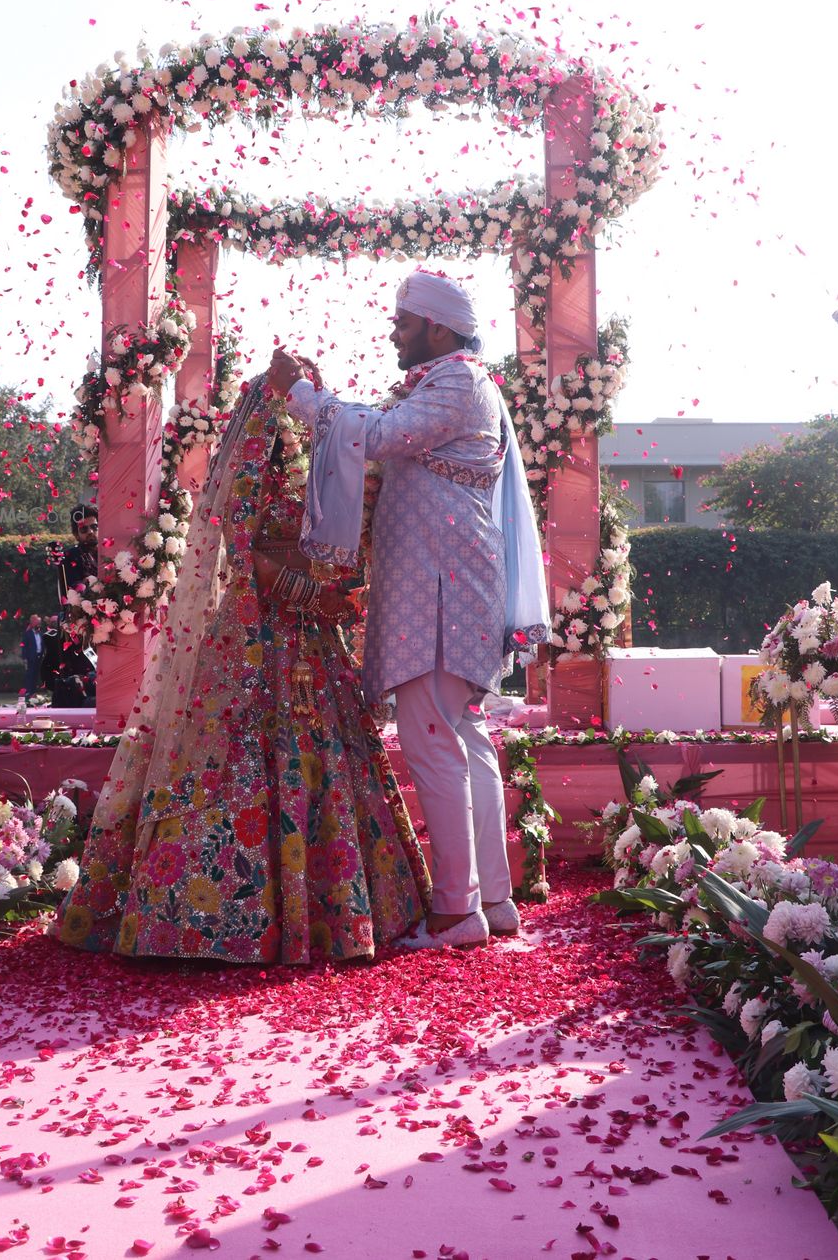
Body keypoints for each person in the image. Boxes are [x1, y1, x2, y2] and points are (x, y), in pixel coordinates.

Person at [57, 376, 429, 964]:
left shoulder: (319, 474)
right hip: (254, 637)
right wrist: (317, 597)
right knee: (229, 757)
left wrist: (342, 589)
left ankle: (333, 911)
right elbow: (250, 556)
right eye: (283, 416)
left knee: (323, 753)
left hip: (313, 642)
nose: (289, 429)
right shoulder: (248, 476)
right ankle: (208, 914)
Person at [269, 269, 549, 951]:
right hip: (449, 596)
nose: (393, 331)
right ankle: (492, 899)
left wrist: (300, 395)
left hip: (439, 602)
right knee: (466, 740)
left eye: (403, 321)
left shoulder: (457, 383)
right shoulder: (451, 384)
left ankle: (456, 912)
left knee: (433, 745)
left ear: (439, 328)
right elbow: (381, 427)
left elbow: (381, 435)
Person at [44, 505, 98, 707]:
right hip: (79, 624)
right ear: (76, 534)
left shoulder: (107, 552)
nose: (91, 532)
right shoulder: (69, 557)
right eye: (84, 529)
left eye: (94, 527)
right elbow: (70, 594)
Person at [19, 613, 44, 698]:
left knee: (36, 675)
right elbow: (24, 646)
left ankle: (33, 692)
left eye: (39, 623)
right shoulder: (28, 633)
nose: (39, 624)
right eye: (37, 622)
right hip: (31, 657)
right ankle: (28, 692)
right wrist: (24, 658)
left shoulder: (41, 633)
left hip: (39, 657)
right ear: (32, 623)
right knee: (30, 675)